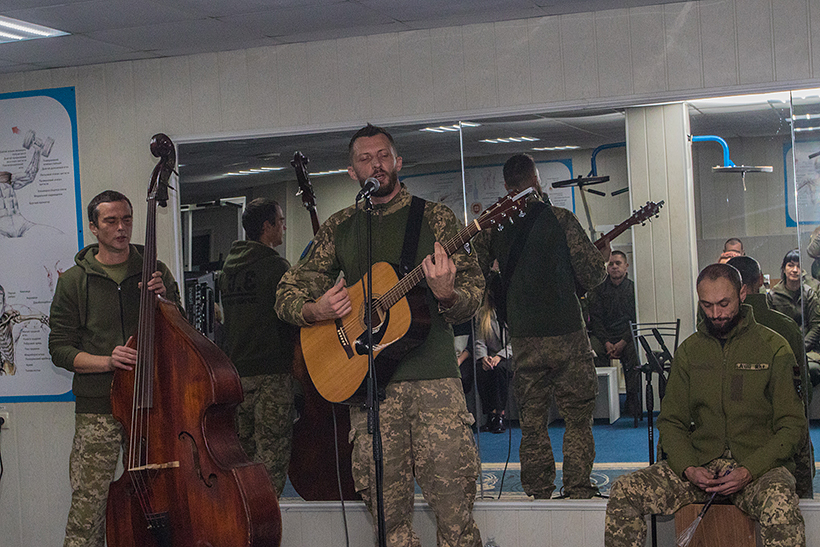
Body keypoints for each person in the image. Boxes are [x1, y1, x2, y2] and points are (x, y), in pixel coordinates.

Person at [275, 124, 484, 546]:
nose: (377, 165)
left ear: (398, 161)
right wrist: (315, 310)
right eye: (365, 159)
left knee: (456, 517)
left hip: (435, 386)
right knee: (389, 526)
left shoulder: (435, 218)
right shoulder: (342, 226)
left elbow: (474, 292)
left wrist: (448, 294)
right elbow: (286, 292)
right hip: (371, 393)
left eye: (384, 156)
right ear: (352, 172)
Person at [605, 263, 806, 547]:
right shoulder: (690, 351)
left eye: (724, 304)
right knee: (624, 490)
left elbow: (791, 425)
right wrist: (688, 467)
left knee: (781, 505)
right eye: (706, 305)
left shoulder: (774, 347)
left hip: (758, 468)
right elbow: (671, 421)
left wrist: (749, 469)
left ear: (742, 294)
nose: (716, 314)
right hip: (700, 466)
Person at [48, 190, 181, 547]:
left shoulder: (154, 269)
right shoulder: (73, 281)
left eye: (126, 219)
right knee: (88, 508)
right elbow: (59, 349)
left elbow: (182, 331)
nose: (121, 228)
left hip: (151, 403)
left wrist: (165, 298)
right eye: (111, 221)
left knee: (162, 499)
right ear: (94, 227)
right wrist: (107, 361)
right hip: (99, 407)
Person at [473, 153, 608, 499]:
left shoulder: (493, 228)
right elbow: (593, 274)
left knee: (532, 424)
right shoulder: (561, 219)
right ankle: (578, 487)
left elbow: (474, 274)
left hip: (524, 339)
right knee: (577, 419)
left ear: (507, 186)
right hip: (569, 336)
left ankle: (538, 491)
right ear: (536, 181)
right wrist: (600, 260)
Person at [216, 197, 295, 497]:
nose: (284, 227)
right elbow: (291, 315)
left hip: (237, 375)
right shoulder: (276, 267)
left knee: (243, 455)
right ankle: (266, 515)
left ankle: (244, 513)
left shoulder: (228, 271)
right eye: (281, 221)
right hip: (271, 373)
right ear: (267, 226)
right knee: (272, 455)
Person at [728, 255, 815, 498]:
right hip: (780, 433)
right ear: (760, 280)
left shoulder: (716, 328)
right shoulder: (785, 327)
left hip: (733, 441)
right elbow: (803, 389)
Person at [587, 250, 639, 421]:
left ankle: (633, 400)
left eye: (618, 263)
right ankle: (603, 403)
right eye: (611, 264)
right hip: (604, 336)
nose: (614, 267)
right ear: (607, 268)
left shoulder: (634, 290)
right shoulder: (598, 290)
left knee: (635, 354)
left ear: (626, 266)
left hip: (627, 336)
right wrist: (606, 342)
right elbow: (596, 320)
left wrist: (623, 342)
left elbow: (635, 319)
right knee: (593, 351)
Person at [767, 249, 820, 387]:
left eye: (798, 266)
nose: (795, 270)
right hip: (781, 351)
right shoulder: (773, 296)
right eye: (790, 265)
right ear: (784, 269)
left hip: (808, 351)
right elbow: (770, 329)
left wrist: (801, 347)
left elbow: (816, 326)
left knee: (812, 370)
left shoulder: (809, 294)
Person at [473, 271, 512, 434]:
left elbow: (516, 342)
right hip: (490, 355)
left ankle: (499, 414)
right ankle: (490, 414)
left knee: (500, 370)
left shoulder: (512, 311)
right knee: (482, 370)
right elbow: (479, 340)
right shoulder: (483, 313)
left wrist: (499, 356)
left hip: (508, 356)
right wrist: (484, 357)